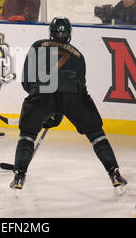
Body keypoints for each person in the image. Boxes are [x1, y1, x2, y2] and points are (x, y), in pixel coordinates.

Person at [10, 17, 127, 189]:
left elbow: (27, 81)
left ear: (51, 32)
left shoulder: (38, 45)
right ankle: (114, 173)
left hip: (43, 93)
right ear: (69, 34)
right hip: (73, 96)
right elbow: (80, 87)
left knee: (28, 136)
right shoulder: (78, 54)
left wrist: (44, 107)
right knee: (96, 135)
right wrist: (63, 109)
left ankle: (19, 175)